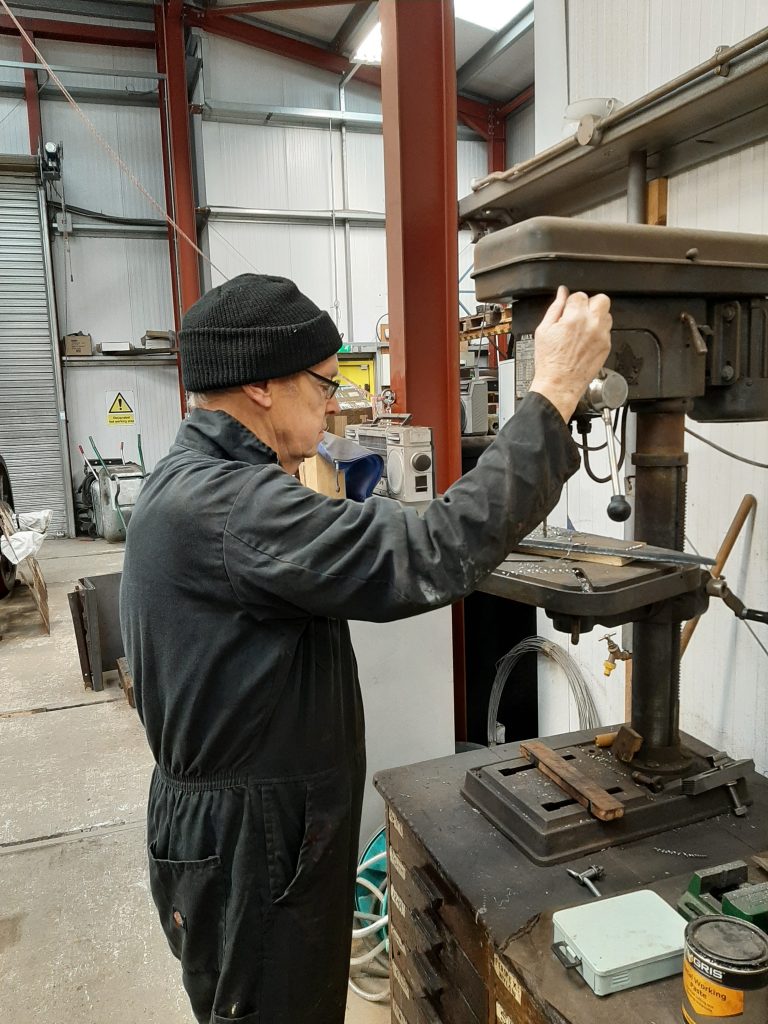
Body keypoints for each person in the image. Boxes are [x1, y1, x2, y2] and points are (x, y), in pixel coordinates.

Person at [120, 273, 611, 1024]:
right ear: (260, 388)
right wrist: (551, 396)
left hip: (239, 830)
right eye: (323, 384)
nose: (334, 402)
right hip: (250, 846)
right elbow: (432, 551)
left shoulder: (196, 483)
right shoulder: (233, 506)